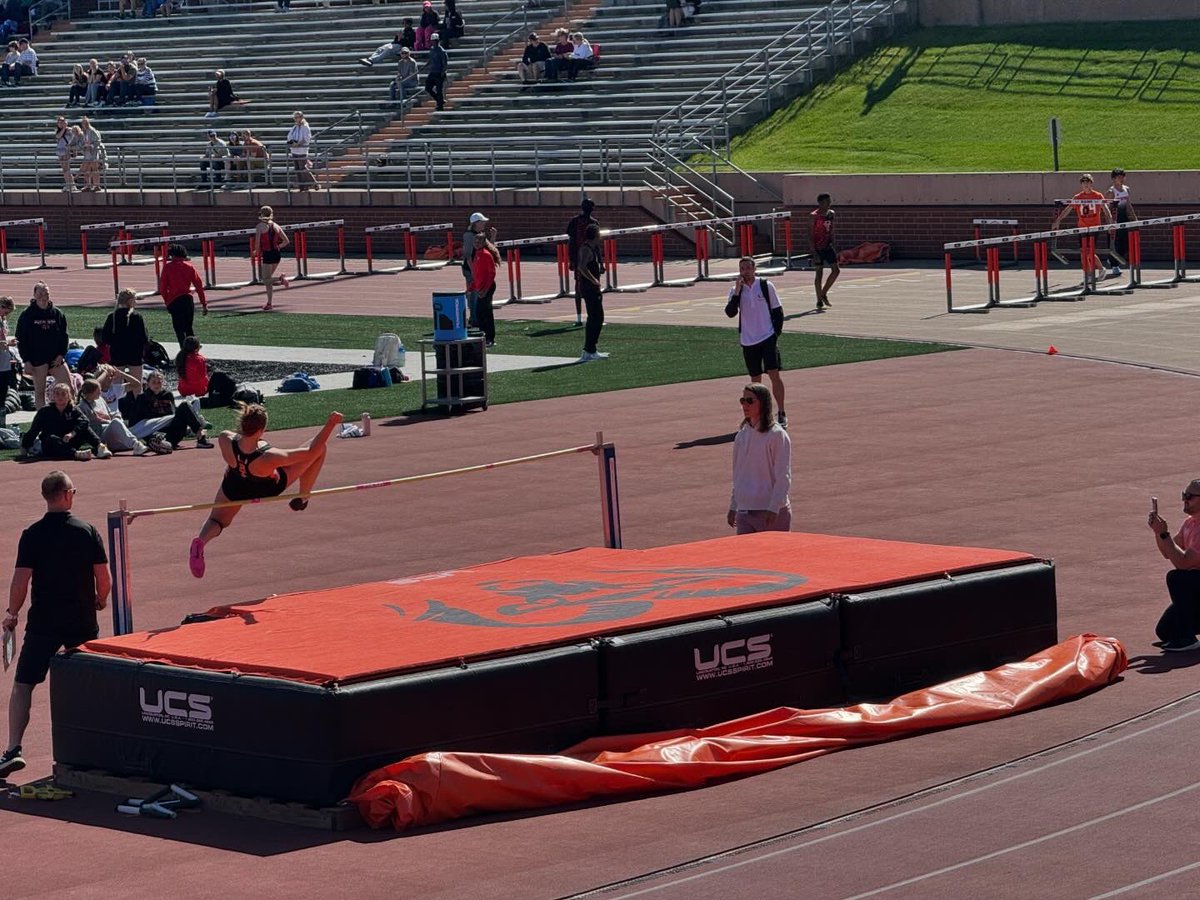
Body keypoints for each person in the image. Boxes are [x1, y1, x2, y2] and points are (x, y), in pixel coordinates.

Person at [0, 471, 110, 780]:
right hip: (81, 619)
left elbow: (21, 580)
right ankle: (96, 746)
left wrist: (12, 613)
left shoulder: (32, 534)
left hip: (44, 621)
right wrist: (100, 600)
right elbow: (104, 578)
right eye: (74, 490)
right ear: (65, 495)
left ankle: (12, 750)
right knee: (90, 682)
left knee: (23, 685)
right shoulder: (87, 531)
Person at [189, 406, 343, 578]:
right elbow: (311, 451)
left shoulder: (225, 438)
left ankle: (200, 541)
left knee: (216, 520)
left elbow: (240, 442)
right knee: (320, 450)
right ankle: (303, 497)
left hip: (235, 485)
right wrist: (330, 424)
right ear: (262, 430)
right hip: (265, 487)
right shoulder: (270, 456)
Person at [724, 256, 787, 429]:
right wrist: (737, 291)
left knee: (774, 373)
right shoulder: (735, 290)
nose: (745, 272)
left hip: (767, 337)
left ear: (754, 269)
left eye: (748, 268)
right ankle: (758, 415)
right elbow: (730, 312)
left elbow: (778, 311)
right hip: (748, 340)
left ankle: (781, 412)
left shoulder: (766, 286)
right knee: (755, 379)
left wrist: (775, 334)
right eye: (742, 269)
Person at [727, 382, 791, 535]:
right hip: (744, 512)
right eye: (743, 400)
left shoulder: (776, 435)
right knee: (745, 558)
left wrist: (774, 507)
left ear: (763, 403)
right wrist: (734, 505)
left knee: (774, 558)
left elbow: (783, 476)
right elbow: (738, 475)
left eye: (750, 400)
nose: (745, 405)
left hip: (770, 512)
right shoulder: (741, 435)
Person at [1147, 480, 1200, 652]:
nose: (1185, 499)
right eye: (1184, 495)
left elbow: (1182, 562)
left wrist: (1164, 533)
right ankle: (1185, 632)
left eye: (1189, 496)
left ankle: (1187, 639)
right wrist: (1158, 532)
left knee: (1177, 578)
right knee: (1165, 631)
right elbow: (1168, 552)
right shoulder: (1190, 523)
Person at [18, 381, 111, 461]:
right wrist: (24, 447)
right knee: (50, 439)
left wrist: (72, 433)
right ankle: (75, 454)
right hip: (52, 444)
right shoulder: (45, 411)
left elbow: (84, 421)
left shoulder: (73, 409)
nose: (60, 397)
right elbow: (34, 430)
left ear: (68, 396)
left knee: (85, 428)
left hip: (69, 440)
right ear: (53, 396)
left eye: (63, 394)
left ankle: (100, 447)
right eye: (57, 394)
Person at [16, 282, 71, 409]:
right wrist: (26, 360)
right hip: (37, 360)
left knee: (69, 387)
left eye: (46, 293)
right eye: (40, 293)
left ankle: (67, 415)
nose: (43, 296)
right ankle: (43, 421)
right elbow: (21, 338)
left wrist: (61, 354)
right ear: (34, 295)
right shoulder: (27, 315)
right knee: (40, 392)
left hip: (55, 359)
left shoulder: (57, 313)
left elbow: (64, 336)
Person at [1052, 173, 1113, 283]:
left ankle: (1099, 270)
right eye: (1084, 182)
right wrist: (1058, 221)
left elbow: (1105, 209)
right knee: (1083, 252)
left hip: (1094, 227)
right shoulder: (1078, 197)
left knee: (1089, 251)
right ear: (1081, 184)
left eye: (1088, 182)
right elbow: (1068, 209)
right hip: (1082, 227)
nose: (1086, 184)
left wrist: (1110, 222)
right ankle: (1090, 273)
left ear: (1091, 183)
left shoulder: (1098, 196)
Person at [130, 370, 210, 450]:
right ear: (148, 384)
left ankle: (200, 436)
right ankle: (162, 444)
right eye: (154, 382)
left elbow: (173, 416)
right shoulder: (142, 398)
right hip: (153, 431)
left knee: (185, 404)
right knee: (155, 436)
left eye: (159, 382)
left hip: (171, 431)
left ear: (163, 383)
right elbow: (137, 425)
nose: (156, 384)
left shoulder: (167, 395)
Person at [77, 379, 148, 455]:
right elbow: (93, 421)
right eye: (98, 391)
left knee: (118, 423)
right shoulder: (82, 406)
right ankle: (135, 444)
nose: (100, 393)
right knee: (115, 422)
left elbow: (110, 414)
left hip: (112, 434)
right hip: (101, 435)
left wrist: (116, 415)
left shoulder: (100, 399)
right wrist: (110, 420)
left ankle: (136, 444)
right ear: (90, 393)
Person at [158, 243, 208, 348]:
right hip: (188, 300)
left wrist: (167, 302)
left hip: (174, 300)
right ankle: (194, 349)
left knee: (179, 329)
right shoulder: (189, 267)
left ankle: (183, 350)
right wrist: (204, 303)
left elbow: (162, 288)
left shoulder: (167, 267)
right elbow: (199, 286)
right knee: (188, 327)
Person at [101, 288, 149, 396]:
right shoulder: (137, 317)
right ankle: (138, 406)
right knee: (137, 385)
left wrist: (116, 342)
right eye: (134, 299)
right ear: (130, 301)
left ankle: (116, 406)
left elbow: (105, 338)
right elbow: (144, 337)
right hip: (135, 354)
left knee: (116, 386)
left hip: (117, 354)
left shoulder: (112, 317)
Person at [576, 223, 607, 362]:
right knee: (595, 317)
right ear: (595, 235)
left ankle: (591, 349)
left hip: (591, 287)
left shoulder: (593, 249)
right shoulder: (586, 249)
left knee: (597, 317)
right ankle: (589, 350)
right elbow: (581, 267)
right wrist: (594, 280)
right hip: (589, 288)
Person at [566, 198, 599, 327]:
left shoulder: (593, 222)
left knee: (586, 288)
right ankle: (580, 317)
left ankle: (588, 316)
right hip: (582, 258)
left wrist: (600, 261)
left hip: (587, 258)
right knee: (582, 288)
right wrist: (571, 259)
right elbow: (571, 241)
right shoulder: (576, 222)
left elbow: (597, 244)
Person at [255, 205, 290, 311]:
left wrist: (256, 252)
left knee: (265, 279)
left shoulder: (260, 226)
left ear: (261, 214)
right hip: (276, 254)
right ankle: (269, 303)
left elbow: (257, 244)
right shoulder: (276, 226)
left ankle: (281, 279)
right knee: (268, 281)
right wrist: (278, 247)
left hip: (268, 254)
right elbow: (286, 241)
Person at [470, 228, 500, 347]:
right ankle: (484, 336)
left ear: (483, 243)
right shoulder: (476, 254)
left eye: (479, 242)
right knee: (479, 313)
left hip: (487, 287)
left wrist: (485, 290)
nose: (476, 243)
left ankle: (490, 338)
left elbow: (491, 274)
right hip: (480, 288)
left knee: (486, 313)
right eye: (475, 241)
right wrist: (472, 286)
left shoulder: (486, 255)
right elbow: (477, 273)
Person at [810, 193, 839, 310]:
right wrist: (814, 252)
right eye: (827, 202)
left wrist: (834, 243)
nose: (829, 204)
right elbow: (810, 234)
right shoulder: (814, 216)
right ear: (821, 203)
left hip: (828, 246)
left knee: (836, 270)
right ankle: (818, 299)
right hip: (818, 247)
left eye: (830, 202)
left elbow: (831, 230)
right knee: (819, 273)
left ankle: (823, 292)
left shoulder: (831, 214)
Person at [1108, 167, 1137, 277]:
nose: (1122, 179)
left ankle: (1115, 260)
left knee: (1125, 242)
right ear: (1114, 179)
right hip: (1115, 219)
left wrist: (1134, 217)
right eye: (1119, 177)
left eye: (1123, 177)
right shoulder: (1111, 192)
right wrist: (1110, 223)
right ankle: (1114, 265)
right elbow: (1107, 208)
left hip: (1124, 217)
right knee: (1116, 243)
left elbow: (1128, 204)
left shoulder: (1126, 189)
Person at [461, 211, 488, 325]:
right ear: (476, 223)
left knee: (478, 293)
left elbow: (490, 248)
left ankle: (476, 316)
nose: (484, 224)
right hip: (471, 269)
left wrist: (493, 237)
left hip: (479, 268)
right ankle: (473, 318)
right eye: (482, 222)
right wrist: (474, 272)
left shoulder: (480, 234)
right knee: (474, 293)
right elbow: (468, 256)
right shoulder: (469, 236)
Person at [287, 110, 317, 191]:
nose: (296, 119)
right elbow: (289, 136)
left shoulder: (305, 127)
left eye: (297, 117)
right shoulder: (295, 127)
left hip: (302, 150)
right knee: (297, 169)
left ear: (301, 117)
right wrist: (292, 143)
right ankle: (302, 186)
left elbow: (306, 138)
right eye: (295, 118)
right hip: (294, 150)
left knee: (303, 168)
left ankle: (314, 183)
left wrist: (298, 144)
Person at [78, 116, 105, 192]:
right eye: (83, 123)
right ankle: (88, 185)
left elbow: (98, 141)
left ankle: (97, 185)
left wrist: (91, 145)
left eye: (85, 123)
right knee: (86, 169)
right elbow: (81, 141)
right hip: (86, 153)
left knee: (94, 169)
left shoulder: (92, 131)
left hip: (93, 152)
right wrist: (83, 146)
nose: (84, 125)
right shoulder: (83, 132)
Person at [425, 32, 448, 111]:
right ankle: (440, 101)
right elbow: (430, 60)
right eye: (433, 41)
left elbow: (445, 64)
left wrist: (443, 72)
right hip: (432, 72)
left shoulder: (442, 51)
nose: (434, 42)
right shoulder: (432, 50)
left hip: (439, 72)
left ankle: (440, 105)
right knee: (428, 88)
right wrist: (425, 66)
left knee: (439, 90)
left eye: (436, 41)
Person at [54, 115, 77, 192]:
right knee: (64, 169)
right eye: (59, 122)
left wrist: (74, 150)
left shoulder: (70, 130)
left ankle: (72, 184)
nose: (60, 124)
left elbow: (74, 139)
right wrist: (63, 128)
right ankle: (68, 183)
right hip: (60, 151)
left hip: (66, 151)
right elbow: (58, 136)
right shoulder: (58, 131)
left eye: (62, 122)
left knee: (67, 169)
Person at [0, 296, 15, 401]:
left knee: (3, 392)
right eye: (7, 311)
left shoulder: (3, 320)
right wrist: (8, 343)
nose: (7, 314)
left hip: (4, 362)